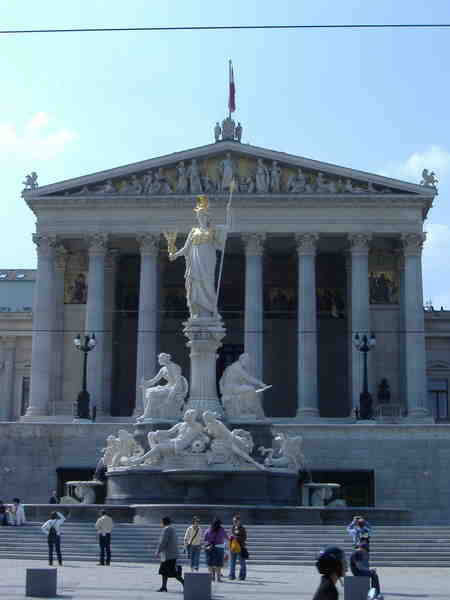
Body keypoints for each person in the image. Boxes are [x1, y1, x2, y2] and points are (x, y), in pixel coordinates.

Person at [156, 516, 184, 592]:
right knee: (164, 572)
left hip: (168, 555)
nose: (161, 524)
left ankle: (185, 584)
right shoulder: (172, 529)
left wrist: (158, 551)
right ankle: (164, 587)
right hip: (171, 554)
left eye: (161, 522)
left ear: (163, 522)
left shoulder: (166, 529)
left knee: (174, 573)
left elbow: (163, 542)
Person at [204, 517, 229, 582]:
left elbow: (205, 538)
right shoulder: (221, 530)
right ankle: (218, 578)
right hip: (220, 547)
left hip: (210, 547)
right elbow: (226, 537)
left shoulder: (209, 529)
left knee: (210, 563)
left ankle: (212, 577)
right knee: (218, 564)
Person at [229, 514, 248, 581]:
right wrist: (230, 537)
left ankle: (242, 576)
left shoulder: (242, 528)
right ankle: (232, 575)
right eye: (233, 521)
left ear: (239, 521)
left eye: (235, 521)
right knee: (232, 562)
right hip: (233, 547)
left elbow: (244, 538)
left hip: (240, 547)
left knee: (242, 563)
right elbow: (230, 536)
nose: (234, 522)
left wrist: (236, 537)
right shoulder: (232, 528)